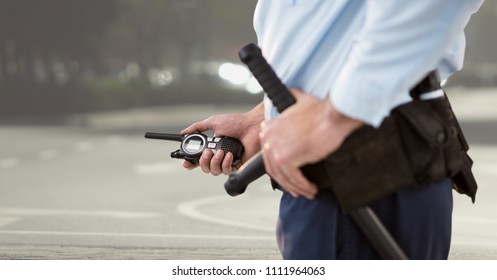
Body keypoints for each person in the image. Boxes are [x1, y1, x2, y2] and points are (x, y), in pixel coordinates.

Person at [181, 0, 484, 259]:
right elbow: (323, 38)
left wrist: (335, 117)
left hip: (367, 164)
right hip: (332, 164)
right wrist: (264, 117)